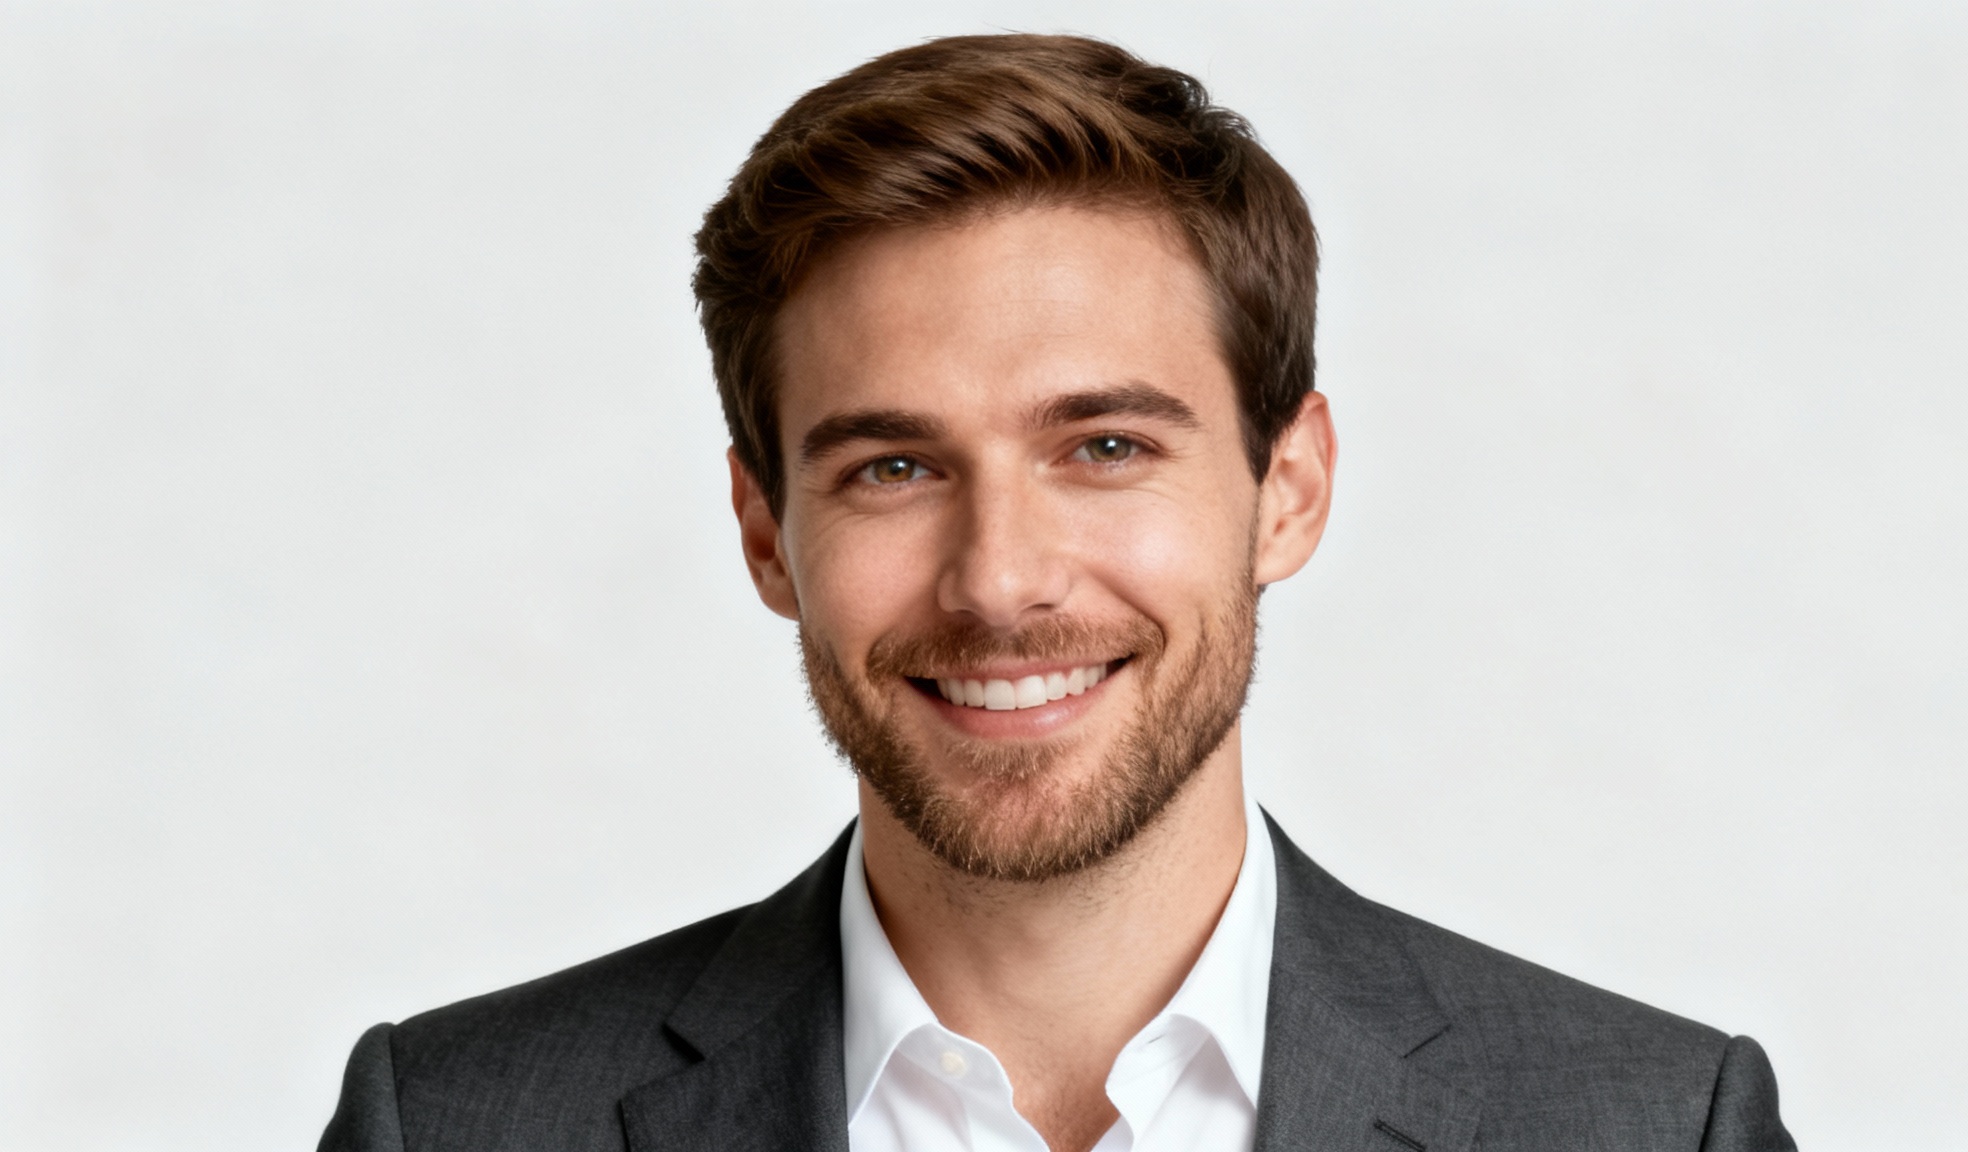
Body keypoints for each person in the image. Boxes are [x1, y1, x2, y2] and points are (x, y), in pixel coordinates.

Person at [317, 33, 1795, 1152]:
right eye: (892, 467)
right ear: (766, 533)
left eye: (1104, 446)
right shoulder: (451, 1125)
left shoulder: (1658, 1127)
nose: (1002, 580)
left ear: (1289, 488)